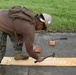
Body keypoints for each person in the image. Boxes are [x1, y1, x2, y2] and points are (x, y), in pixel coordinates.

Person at [0, 6, 53, 75]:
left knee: (20, 37)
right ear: (41, 24)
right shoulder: (30, 29)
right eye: (43, 28)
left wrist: (24, 36)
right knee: (1, 48)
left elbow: (21, 26)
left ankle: (18, 55)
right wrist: (37, 58)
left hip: (6, 20)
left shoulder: (32, 17)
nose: (41, 30)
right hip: (1, 23)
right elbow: (29, 50)